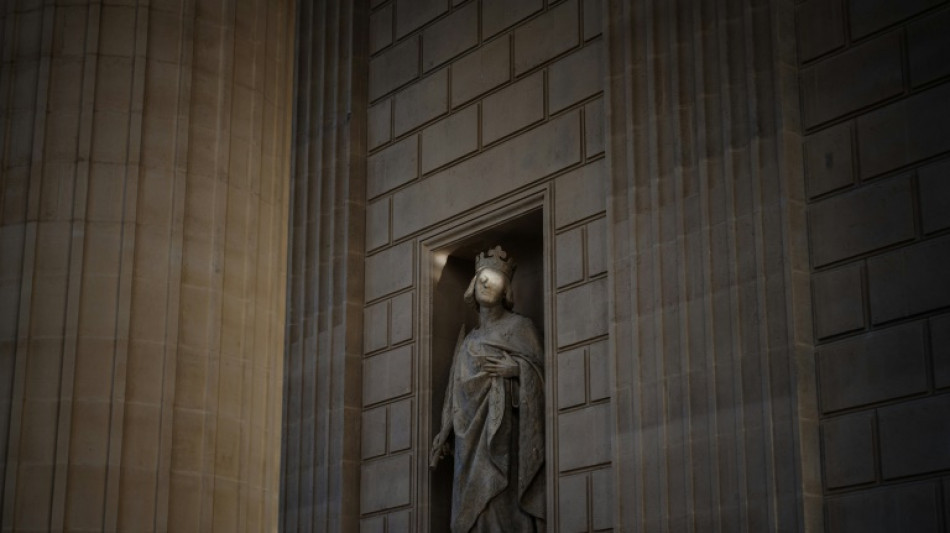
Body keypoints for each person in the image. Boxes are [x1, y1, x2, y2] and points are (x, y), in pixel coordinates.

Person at [430, 246, 545, 532]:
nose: (484, 281)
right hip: (469, 441)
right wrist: (445, 431)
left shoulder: (521, 328)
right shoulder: (469, 341)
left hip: (508, 438)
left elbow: (542, 377)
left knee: (500, 503)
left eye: (492, 277)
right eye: (480, 276)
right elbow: (454, 393)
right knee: (474, 508)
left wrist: (517, 371)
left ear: (506, 288)